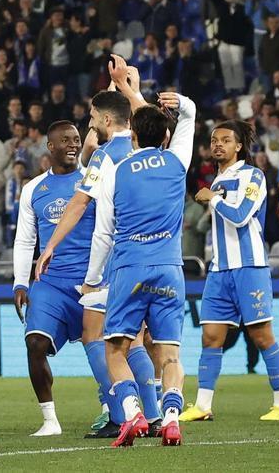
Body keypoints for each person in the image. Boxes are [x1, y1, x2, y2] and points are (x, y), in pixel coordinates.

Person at [38, 60, 160, 438]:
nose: (89, 124)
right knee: (134, 338)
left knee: (95, 334)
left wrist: (51, 245)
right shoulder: (150, 147)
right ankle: (154, 413)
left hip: (117, 256)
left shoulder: (107, 156)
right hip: (155, 251)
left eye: (93, 117)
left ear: (106, 120)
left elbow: (80, 204)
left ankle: (119, 412)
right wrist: (125, 87)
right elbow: (150, 119)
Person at [87, 90, 197, 447]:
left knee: (115, 348)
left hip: (129, 268)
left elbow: (103, 233)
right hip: (169, 268)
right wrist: (182, 102)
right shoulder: (177, 161)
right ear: (165, 136)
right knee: (170, 355)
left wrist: (92, 279)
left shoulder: (115, 171)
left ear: (132, 135)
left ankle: (133, 412)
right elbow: (191, 116)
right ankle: (171, 417)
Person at [179, 121, 279, 423]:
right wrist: (213, 195)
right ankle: (203, 405)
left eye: (226, 140)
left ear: (239, 146)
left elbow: (241, 216)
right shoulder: (217, 181)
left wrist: (213, 198)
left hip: (249, 266)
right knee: (210, 337)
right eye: (214, 140)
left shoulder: (252, 175)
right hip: (219, 270)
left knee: (262, 336)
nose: (218, 145)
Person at [11, 119, 89, 437]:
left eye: (77, 139)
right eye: (66, 140)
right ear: (50, 146)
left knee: (107, 350)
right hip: (51, 282)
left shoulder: (93, 180)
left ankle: (115, 411)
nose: (73, 144)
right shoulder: (34, 189)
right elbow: (25, 239)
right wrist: (20, 281)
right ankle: (50, 420)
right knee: (35, 342)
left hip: (92, 281)